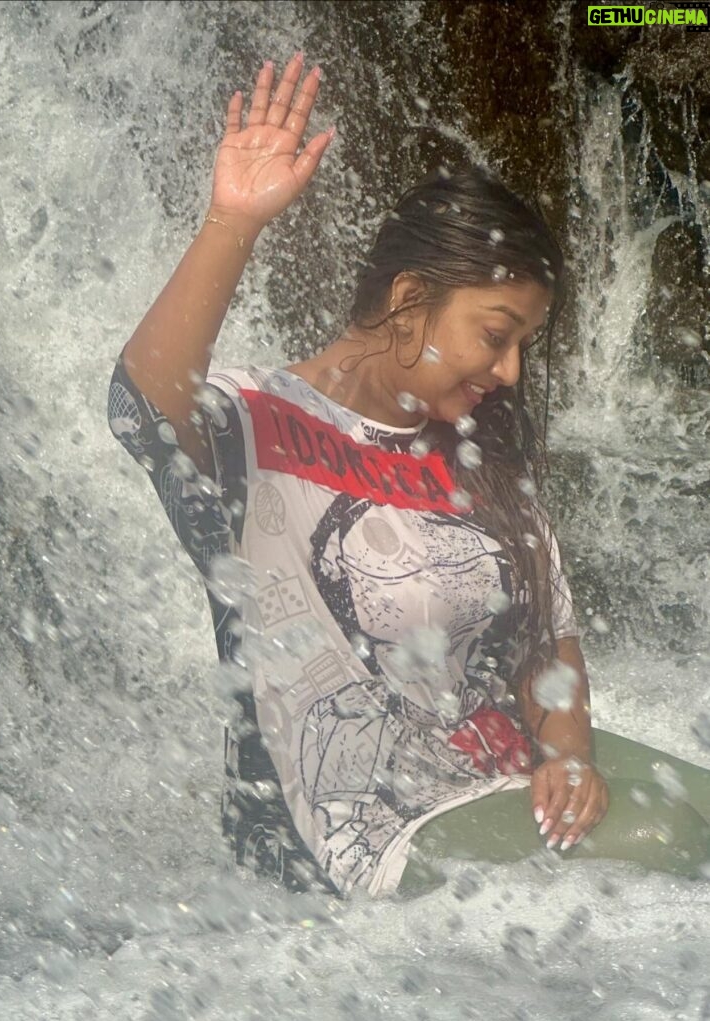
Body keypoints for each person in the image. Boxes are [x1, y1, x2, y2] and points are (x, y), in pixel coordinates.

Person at [108, 54, 710, 897]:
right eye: (493, 334)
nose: (507, 372)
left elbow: (548, 644)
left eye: (521, 346)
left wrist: (570, 756)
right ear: (407, 298)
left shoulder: (483, 456)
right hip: (356, 831)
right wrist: (231, 221)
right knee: (670, 833)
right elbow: (141, 400)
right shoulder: (254, 421)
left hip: (495, 776)